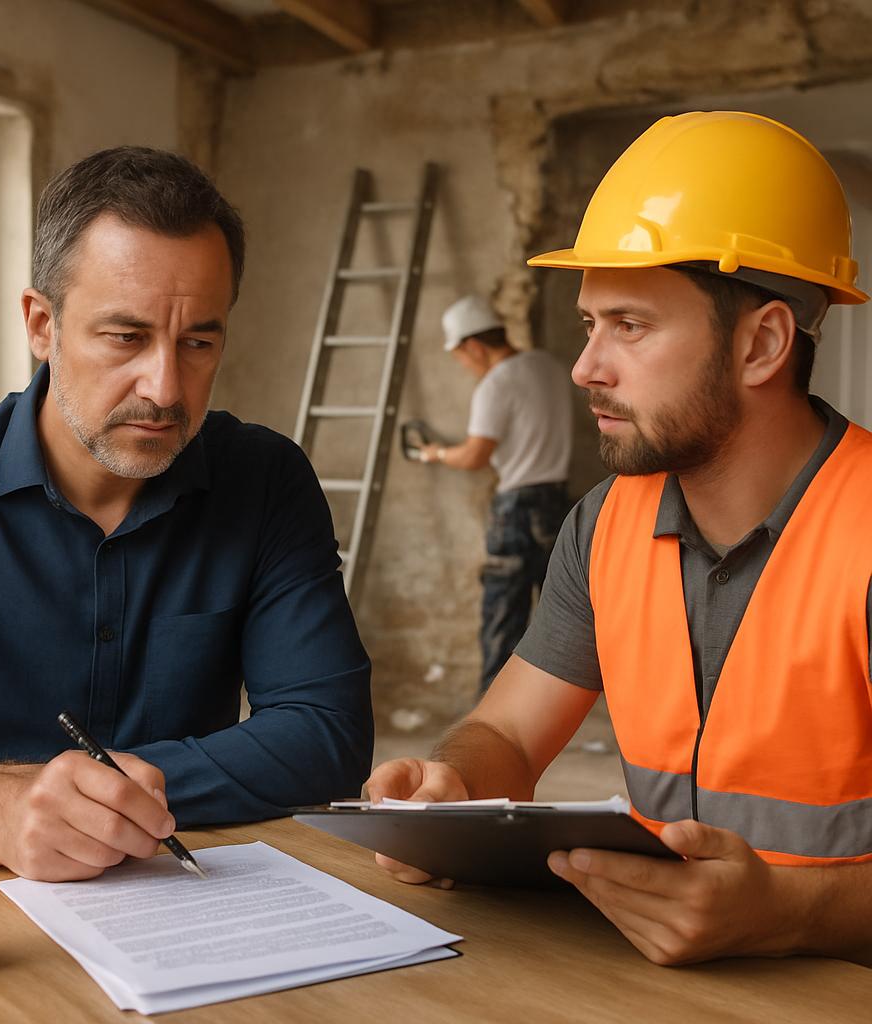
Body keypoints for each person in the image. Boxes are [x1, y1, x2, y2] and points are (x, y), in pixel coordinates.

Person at [368, 110, 872, 966]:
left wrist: (787, 910)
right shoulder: (605, 522)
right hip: (656, 988)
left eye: (630, 325)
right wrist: (452, 786)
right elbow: (512, 738)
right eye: (589, 324)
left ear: (763, 343)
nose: (586, 366)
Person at [0, 147, 373, 880]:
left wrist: (69, 795)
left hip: (192, 897)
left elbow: (327, 739)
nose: (163, 387)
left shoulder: (266, 480)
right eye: (126, 337)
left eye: (198, 342)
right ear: (41, 324)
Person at [420, 295, 572, 692]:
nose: (465, 367)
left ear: (472, 345)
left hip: (517, 509)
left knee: (503, 616)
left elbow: (475, 456)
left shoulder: (496, 384)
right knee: (563, 614)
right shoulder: (549, 366)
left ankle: (490, 712)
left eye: (461, 357)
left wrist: (435, 453)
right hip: (559, 503)